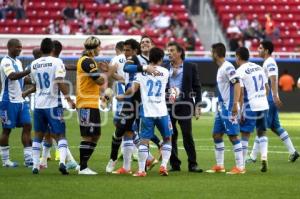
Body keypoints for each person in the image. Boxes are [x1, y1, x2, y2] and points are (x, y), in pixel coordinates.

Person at [116, 47, 172, 177]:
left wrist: (123, 96)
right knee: (167, 138)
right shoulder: (165, 71)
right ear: (160, 59)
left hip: (147, 112)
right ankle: (163, 166)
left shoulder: (141, 72)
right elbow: (167, 88)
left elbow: (133, 89)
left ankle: (141, 170)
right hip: (162, 111)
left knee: (144, 141)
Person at [247, 41, 299, 163]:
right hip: (271, 99)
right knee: (276, 127)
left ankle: (253, 156)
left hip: (269, 99)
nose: (258, 50)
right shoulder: (268, 62)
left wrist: (274, 96)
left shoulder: (270, 62)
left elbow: (274, 78)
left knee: (261, 127)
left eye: (260, 48)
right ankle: (293, 152)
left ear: (266, 50)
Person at [29, 38, 75, 175]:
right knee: (60, 134)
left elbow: (34, 84)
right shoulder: (57, 62)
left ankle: (35, 166)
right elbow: (60, 82)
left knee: (38, 134)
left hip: (38, 104)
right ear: (52, 49)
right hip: (53, 104)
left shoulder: (34, 64)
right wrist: (68, 99)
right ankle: (62, 162)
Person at [76, 36, 116, 175]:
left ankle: (82, 164)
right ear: (93, 47)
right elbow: (98, 81)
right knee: (88, 135)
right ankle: (83, 167)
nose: (100, 49)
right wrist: (109, 72)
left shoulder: (89, 60)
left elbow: (93, 83)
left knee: (96, 135)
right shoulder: (87, 61)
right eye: (99, 46)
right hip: (86, 103)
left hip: (90, 102)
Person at [206, 42, 244, 175]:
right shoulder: (222, 67)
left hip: (229, 107)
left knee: (233, 136)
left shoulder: (228, 67)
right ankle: (220, 165)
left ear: (216, 53)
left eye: (212, 52)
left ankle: (240, 167)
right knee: (216, 134)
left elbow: (237, 84)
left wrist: (234, 104)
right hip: (222, 108)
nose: (211, 54)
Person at [166, 42, 202, 172]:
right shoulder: (165, 68)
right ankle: (174, 164)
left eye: (172, 50)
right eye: (168, 50)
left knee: (187, 134)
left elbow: (197, 87)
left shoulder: (190, 67)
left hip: (185, 105)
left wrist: (198, 105)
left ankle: (193, 164)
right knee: (171, 135)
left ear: (180, 52)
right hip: (169, 105)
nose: (169, 53)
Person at [235, 47, 270, 172]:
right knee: (262, 131)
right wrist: (261, 98)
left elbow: (241, 92)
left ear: (238, 57)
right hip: (263, 104)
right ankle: (264, 157)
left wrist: (240, 109)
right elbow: (267, 88)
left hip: (250, 104)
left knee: (245, 133)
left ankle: (242, 165)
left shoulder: (240, 71)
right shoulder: (259, 67)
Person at [0, 38, 32, 168]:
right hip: (8, 101)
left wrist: (36, 80)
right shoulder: (5, 62)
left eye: (21, 47)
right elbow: (12, 76)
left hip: (21, 100)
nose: (20, 49)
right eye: (17, 47)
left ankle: (28, 159)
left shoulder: (18, 61)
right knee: (7, 130)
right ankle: (6, 161)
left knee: (27, 125)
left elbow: (24, 79)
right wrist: (29, 70)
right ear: (10, 47)